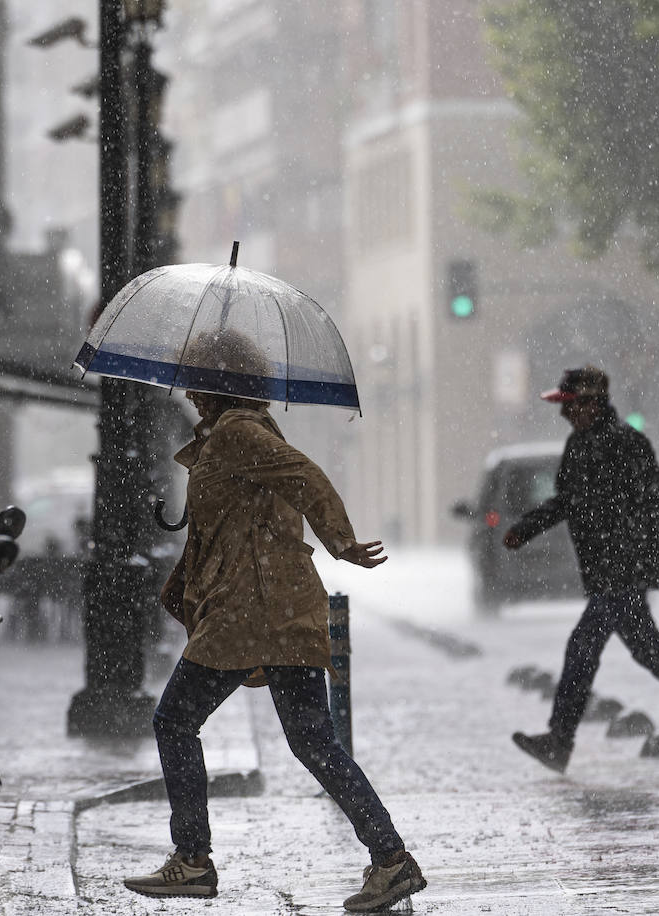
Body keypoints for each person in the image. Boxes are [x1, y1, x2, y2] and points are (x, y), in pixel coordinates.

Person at [123, 331, 425, 912]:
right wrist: (181, 590)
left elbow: (306, 477)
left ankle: (192, 860)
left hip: (252, 610)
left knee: (175, 721)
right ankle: (391, 860)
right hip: (277, 609)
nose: (187, 388)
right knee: (313, 740)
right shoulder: (228, 437)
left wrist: (341, 541)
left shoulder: (238, 433)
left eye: (197, 377)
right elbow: (223, 530)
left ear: (221, 384)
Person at [503, 366, 659, 774]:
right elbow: (567, 500)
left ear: (591, 404)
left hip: (622, 571)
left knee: (583, 649)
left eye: (570, 407)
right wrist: (525, 529)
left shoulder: (625, 444)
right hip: (606, 570)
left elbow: (656, 500)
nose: (565, 415)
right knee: (650, 653)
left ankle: (560, 741)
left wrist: (626, 545)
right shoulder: (580, 445)